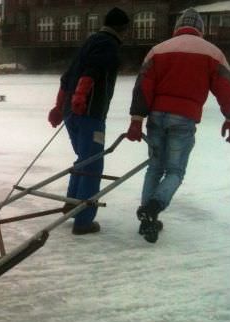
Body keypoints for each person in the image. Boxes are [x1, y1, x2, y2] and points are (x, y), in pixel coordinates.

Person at [126, 8, 230, 243]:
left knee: (155, 168)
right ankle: (153, 208)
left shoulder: (158, 50)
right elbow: (227, 88)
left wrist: (137, 119)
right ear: (200, 28)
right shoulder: (212, 53)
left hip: (156, 117)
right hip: (184, 118)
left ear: (177, 27)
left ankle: (147, 217)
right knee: (175, 171)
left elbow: (142, 87)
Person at [48, 7, 130, 235]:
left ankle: (72, 204)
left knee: (84, 160)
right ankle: (83, 220)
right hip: (88, 113)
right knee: (92, 165)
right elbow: (91, 72)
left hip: (72, 112)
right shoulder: (108, 45)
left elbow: (67, 76)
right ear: (123, 29)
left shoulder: (91, 41)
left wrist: (59, 105)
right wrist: (80, 97)